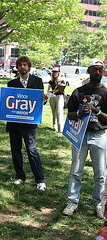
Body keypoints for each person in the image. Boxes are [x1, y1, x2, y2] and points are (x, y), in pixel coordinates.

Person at [63, 58, 107, 218]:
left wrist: (96, 111)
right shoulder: (78, 92)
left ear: (103, 71)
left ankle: (99, 204)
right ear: (88, 71)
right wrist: (80, 113)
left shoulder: (106, 93)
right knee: (75, 171)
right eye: (94, 69)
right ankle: (72, 201)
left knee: (100, 173)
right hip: (79, 136)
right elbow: (70, 115)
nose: (97, 72)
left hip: (99, 136)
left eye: (99, 69)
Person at [6, 56, 47, 191]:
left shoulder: (37, 82)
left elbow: (40, 103)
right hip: (14, 123)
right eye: (20, 65)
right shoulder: (11, 84)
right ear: (17, 67)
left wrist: (44, 99)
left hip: (29, 123)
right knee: (15, 150)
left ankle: (40, 179)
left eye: (25, 65)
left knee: (32, 150)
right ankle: (20, 176)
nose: (22, 67)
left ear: (29, 67)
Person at [47, 67, 66, 132]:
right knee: (54, 113)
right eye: (54, 72)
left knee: (59, 112)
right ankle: (54, 127)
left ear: (58, 73)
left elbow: (64, 91)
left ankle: (60, 129)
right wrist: (52, 92)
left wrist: (60, 89)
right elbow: (48, 90)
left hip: (59, 97)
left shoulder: (62, 81)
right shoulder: (51, 81)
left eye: (56, 72)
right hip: (52, 97)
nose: (55, 74)